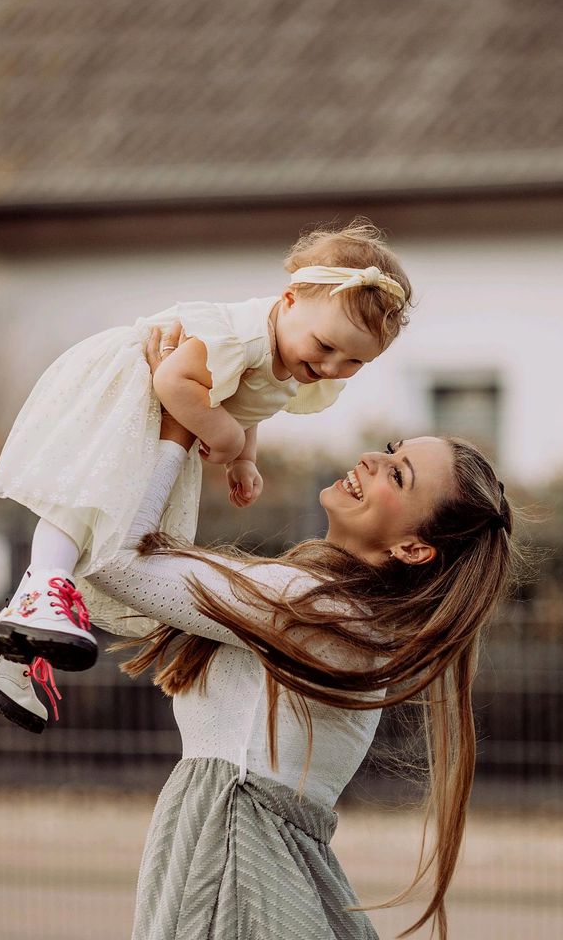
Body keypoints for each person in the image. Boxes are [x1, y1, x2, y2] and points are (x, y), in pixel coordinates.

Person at [80, 333, 516, 940]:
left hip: (233, 862)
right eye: (389, 449)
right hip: (243, 854)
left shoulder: (315, 609)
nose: (372, 460)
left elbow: (116, 565)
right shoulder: (336, 611)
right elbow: (139, 580)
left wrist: (178, 426)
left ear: (413, 548)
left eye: (400, 473)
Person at [0, 220, 413, 733]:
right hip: (131, 389)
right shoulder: (242, 334)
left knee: (102, 519)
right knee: (84, 505)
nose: (331, 366)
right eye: (326, 346)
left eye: (354, 362)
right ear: (291, 300)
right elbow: (173, 379)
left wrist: (242, 457)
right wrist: (226, 436)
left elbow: (240, 404)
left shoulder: (288, 355)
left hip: (157, 415)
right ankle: (43, 592)